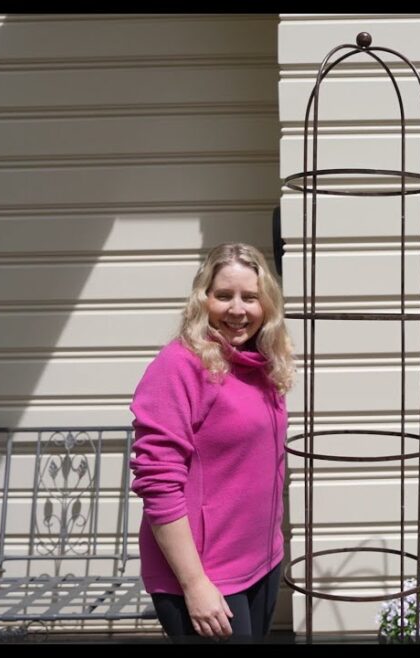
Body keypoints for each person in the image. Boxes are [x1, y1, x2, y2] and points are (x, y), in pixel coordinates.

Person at [129, 242, 294, 642]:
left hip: (261, 563)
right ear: (203, 299)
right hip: (207, 579)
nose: (237, 309)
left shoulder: (260, 364)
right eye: (224, 296)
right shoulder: (179, 366)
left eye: (250, 297)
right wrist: (195, 585)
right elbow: (158, 483)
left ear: (266, 304)